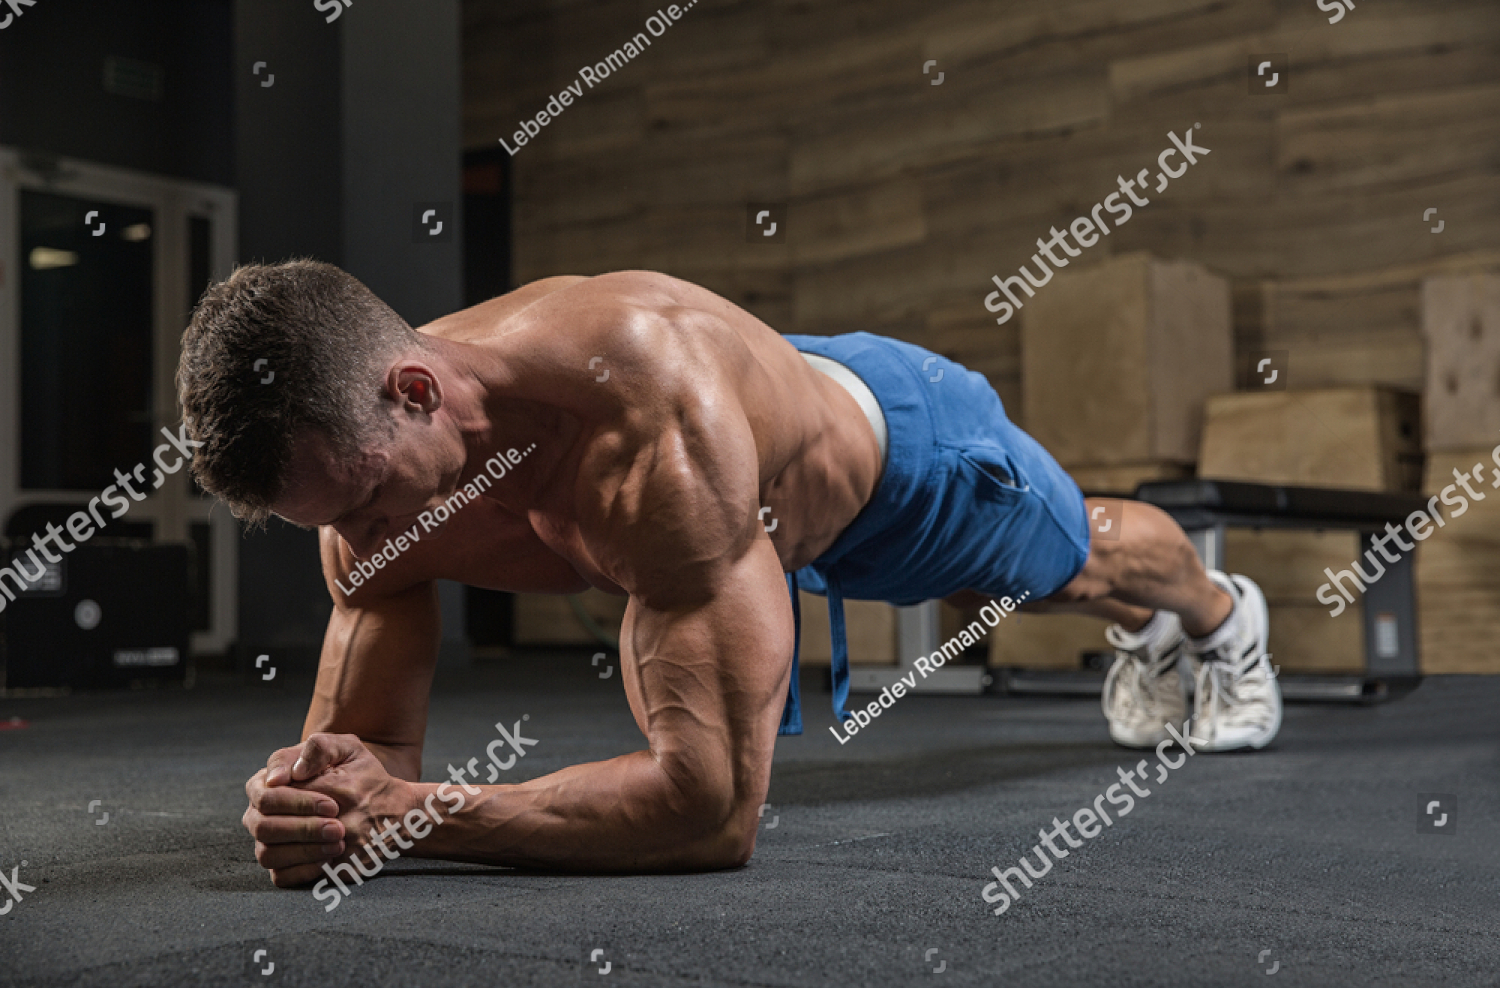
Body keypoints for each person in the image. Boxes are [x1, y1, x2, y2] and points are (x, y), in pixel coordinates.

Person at [176, 261, 1279, 885]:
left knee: (1063, 575)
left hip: (906, 462)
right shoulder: (371, 490)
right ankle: (1162, 634)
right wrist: (318, 809)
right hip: (746, 478)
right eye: (333, 518)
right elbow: (360, 767)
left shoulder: (646, 431)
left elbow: (709, 818)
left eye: (371, 501)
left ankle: (1218, 620)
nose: (375, 534)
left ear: (416, 389)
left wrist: (415, 815)